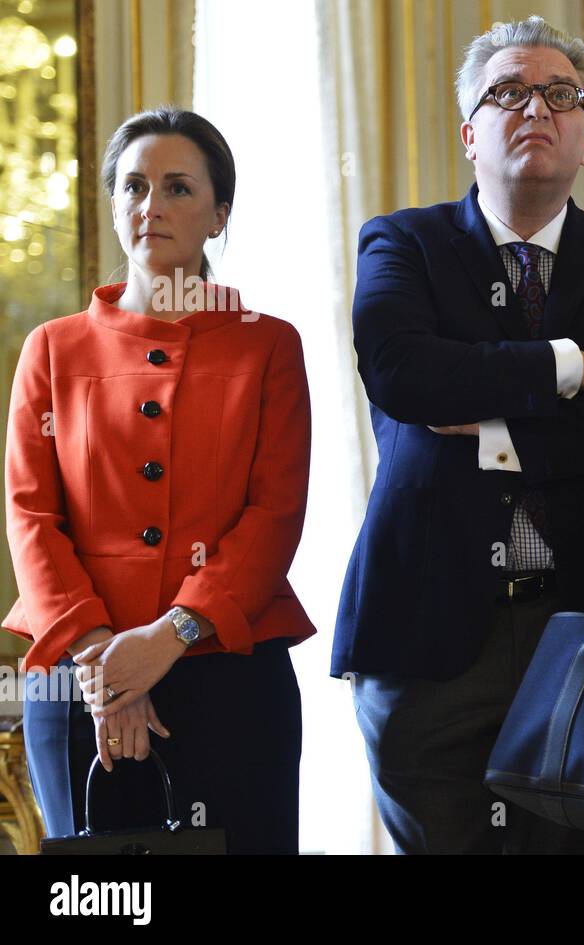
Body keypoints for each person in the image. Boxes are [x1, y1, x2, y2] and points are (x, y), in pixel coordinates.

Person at [332, 16, 584, 855]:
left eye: (561, 95)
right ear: (469, 132)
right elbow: (405, 376)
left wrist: (491, 427)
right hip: (427, 633)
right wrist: (569, 362)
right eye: (509, 92)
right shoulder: (403, 241)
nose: (537, 108)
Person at [7, 107, 312, 853]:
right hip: (78, 683)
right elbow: (29, 516)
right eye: (134, 186)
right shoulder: (52, 349)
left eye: (177, 188)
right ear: (114, 206)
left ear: (219, 215)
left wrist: (169, 636)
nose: (152, 206)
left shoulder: (269, 346)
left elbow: (274, 516)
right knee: (105, 905)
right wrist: (107, 659)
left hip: (228, 681)